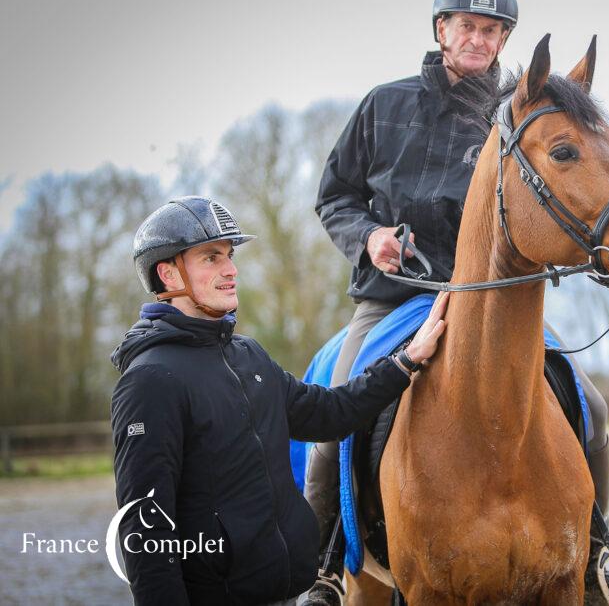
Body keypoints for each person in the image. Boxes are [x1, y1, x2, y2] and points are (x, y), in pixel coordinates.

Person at [308, 0, 609, 604]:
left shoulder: (520, 116)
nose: (478, 38)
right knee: (339, 402)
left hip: (496, 300)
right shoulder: (383, 106)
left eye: (492, 30)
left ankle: (597, 552)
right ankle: (324, 567)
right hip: (397, 296)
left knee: (592, 407)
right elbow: (335, 195)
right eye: (467, 25)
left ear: (504, 41)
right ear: (442, 30)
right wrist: (368, 236)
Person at [110, 196, 450, 606]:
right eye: (211, 258)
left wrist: (405, 361)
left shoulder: (248, 355)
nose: (231, 270)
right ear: (168, 273)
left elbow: (331, 414)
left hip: (284, 594)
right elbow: (144, 532)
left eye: (230, 256)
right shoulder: (150, 380)